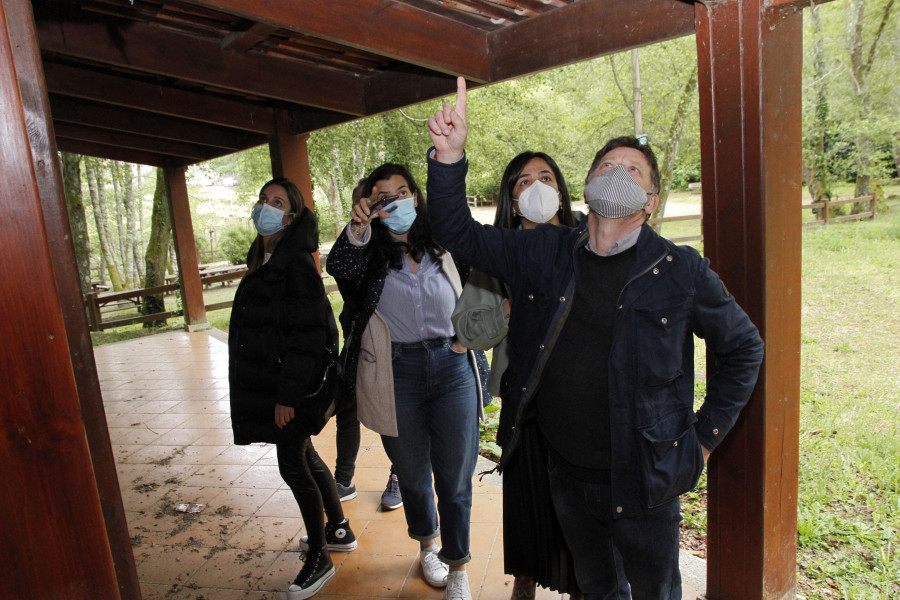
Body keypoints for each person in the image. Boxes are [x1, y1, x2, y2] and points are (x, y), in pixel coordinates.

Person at [426, 78, 765, 599]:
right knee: (597, 588)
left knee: (654, 592)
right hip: (567, 474)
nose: (618, 175)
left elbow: (744, 348)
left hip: (647, 481)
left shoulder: (682, 270)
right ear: (584, 187)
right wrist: (449, 158)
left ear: (650, 200)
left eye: (633, 170)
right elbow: (458, 233)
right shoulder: (547, 251)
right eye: (608, 166)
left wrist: (703, 439)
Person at [326, 163, 485, 600]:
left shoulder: (447, 244)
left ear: (416, 195)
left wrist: (468, 338)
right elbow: (338, 264)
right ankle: (428, 546)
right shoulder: (367, 257)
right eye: (383, 197)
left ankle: (458, 566)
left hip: (452, 367)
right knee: (414, 475)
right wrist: (357, 228)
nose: (395, 201)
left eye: (402, 191)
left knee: (455, 478)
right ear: (372, 208)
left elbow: (490, 284)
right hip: (398, 373)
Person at [451, 151, 583, 600]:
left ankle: (580, 583)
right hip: (523, 397)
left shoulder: (586, 244)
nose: (538, 187)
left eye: (547, 177)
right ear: (511, 198)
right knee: (529, 497)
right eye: (525, 181)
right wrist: (511, 307)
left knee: (578, 499)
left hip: (579, 395)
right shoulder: (495, 253)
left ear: (562, 192)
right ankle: (525, 577)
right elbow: (468, 330)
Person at [228, 178, 357, 600]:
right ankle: (338, 529)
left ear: (291, 216)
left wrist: (286, 397)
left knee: (292, 465)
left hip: (290, 391)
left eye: (277, 202)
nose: (265, 207)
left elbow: (307, 337)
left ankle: (319, 557)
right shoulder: (266, 256)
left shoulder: (296, 263)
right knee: (306, 454)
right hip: (276, 385)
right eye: (263, 199)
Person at [331, 179, 404, 511]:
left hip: (390, 346)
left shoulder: (395, 244)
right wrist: (359, 229)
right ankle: (343, 479)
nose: (376, 207)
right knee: (347, 407)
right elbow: (340, 269)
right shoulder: (355, 242)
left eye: (382, 200)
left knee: (391, 413)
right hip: (357, 339)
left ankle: (400, 473)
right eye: (368, 201)